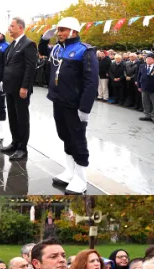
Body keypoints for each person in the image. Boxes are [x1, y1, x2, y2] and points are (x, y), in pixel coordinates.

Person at [38, 18, 97, 195]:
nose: (59, 33)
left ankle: (81, 177)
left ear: (74, 31)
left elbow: (91, 82)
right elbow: (42, 52)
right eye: (58, 30)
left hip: (74, 104)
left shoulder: (85, 51)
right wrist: (43, 39)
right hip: (59, 100)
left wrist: (85, 108)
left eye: (63, 30)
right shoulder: (57, 48)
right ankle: (70, 171)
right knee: (64, 135)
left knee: (78, 139)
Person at [1, 17, 38, 161]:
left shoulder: (28, 44)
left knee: (22, 118)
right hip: (10, 87)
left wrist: (24, 87)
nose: (9, 28)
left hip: (20, 89)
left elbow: (30, 68)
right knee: (12, 117)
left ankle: (23, 148)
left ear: (20, 28)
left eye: (12, 26)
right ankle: (15, 142)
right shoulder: (12, 45)